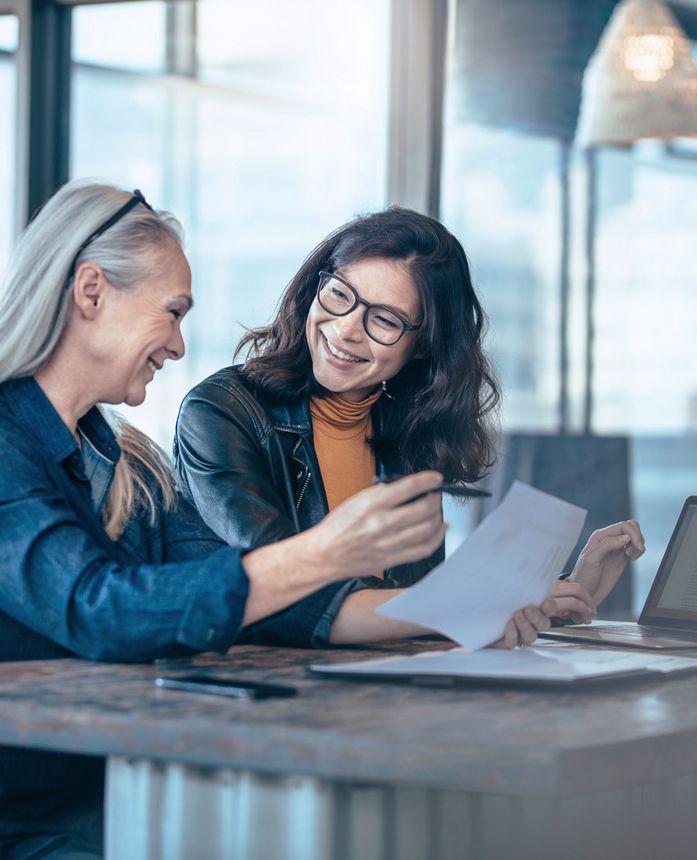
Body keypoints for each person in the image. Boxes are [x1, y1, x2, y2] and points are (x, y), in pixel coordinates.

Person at [0, 181, 635, 858]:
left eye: (386, 320)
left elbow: (264, 606)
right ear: (91, 292)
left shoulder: (128, 461)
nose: (181, 346)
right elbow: (99, 608)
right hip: (38, 817)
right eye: (173, 312)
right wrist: (327, 554)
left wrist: (482, 605)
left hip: (115, 794)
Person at [174, 206, 646, 647]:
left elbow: (418, 606)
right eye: (339, 294)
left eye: (384, 320)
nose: (345, 329)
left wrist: (557, 595)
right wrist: (477, 607)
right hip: (264, 695)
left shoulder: (409, 432)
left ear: (422, 347)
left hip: (379, 692)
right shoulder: (222, 411)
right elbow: (282, 588)